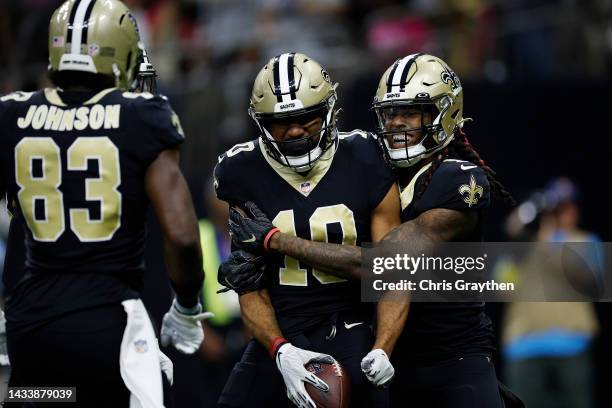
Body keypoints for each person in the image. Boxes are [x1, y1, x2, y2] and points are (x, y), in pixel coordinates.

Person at [226, 54, 518, 407]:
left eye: (409, 113)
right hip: (388, 356)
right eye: (390, 113)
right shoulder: (376, 168)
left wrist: (276, 240)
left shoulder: (459, 179)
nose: (396, 124)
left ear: (444, 113)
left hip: (453, 358)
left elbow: (385, 263)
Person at [0, 0, 212, 406]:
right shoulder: (142, 115)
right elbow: (183, 236)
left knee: (41, 399)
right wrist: (186, 305)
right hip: (108, 327)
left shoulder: (11, 114)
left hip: (32, 328)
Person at [214, 52, 403, 408]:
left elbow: (389, 270)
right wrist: (278, 348)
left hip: (351, 325)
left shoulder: (366, 156)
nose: (295, 131)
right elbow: (247, 281)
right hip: (281, 327)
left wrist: (383, 348)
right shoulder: (240, 170)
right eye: (280, 122)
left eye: (306, 117)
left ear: (330, 110)